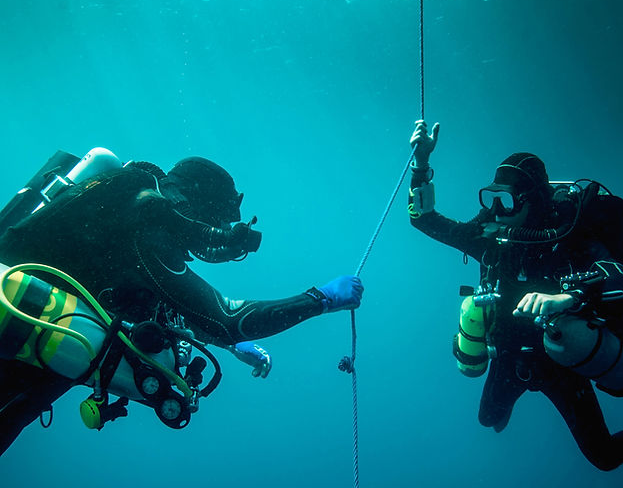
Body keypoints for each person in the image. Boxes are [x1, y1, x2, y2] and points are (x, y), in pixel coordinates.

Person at [0, 151, 363, 456]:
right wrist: (321, 299)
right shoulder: (148, 229)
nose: (215, 243)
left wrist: (233, 345)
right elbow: (226, 317)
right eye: (218, 222)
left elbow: (180, 312)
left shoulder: (125, 220)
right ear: (198, 206)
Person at [408, 119, 623, 471]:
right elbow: (423, 219)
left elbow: (618, 276)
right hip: (508, 358)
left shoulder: (567, 235)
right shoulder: (488, 237)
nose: (498, 210)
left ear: (532, 200)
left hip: (560, 363)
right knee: (489, 420)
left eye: (507, 201)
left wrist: (570, 298)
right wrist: (421, 164)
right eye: (492, 198)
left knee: (603, 456)